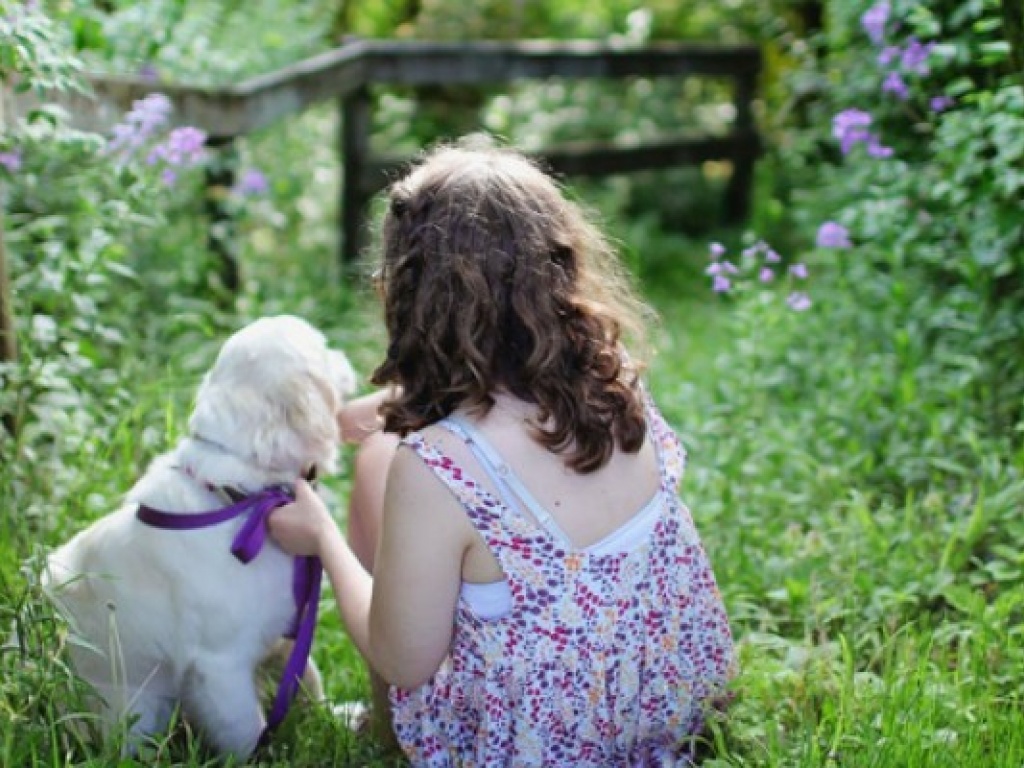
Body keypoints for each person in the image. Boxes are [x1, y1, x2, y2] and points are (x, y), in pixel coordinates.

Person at [268, 140, 737, 766]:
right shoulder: (616, 382)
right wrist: (374, 412)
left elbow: (404, 661)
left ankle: (385, 733)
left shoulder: (436, 468)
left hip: (537, 749)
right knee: (387, 449)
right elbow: (504, 417)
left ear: (413, 293)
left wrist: (322, 536)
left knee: (380, 462)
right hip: (659, 716)